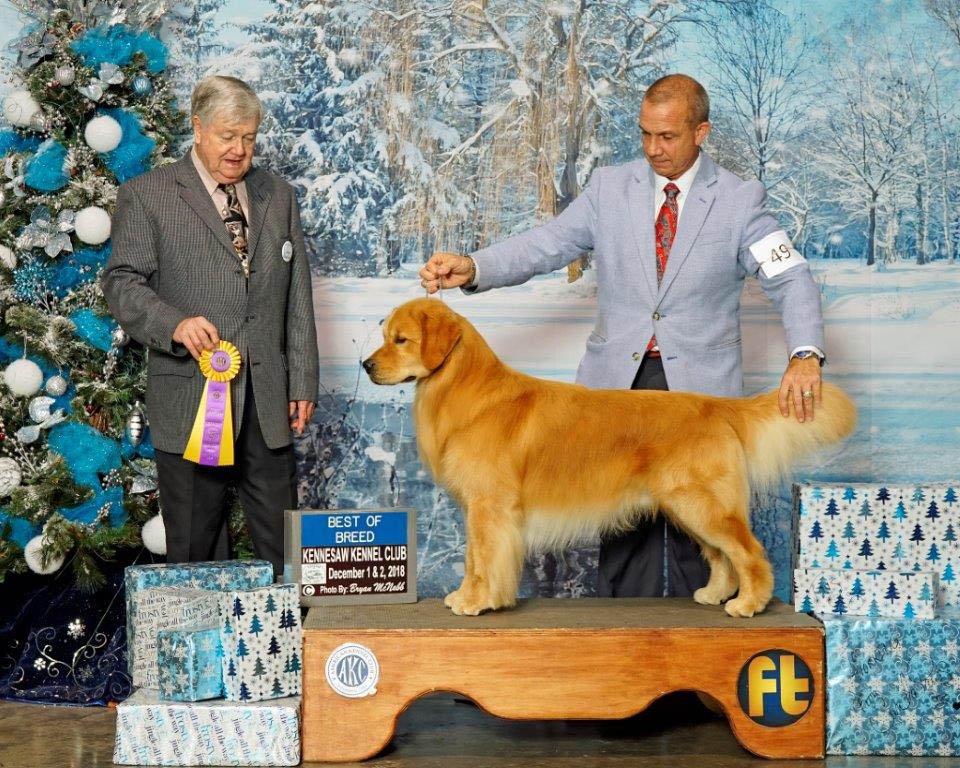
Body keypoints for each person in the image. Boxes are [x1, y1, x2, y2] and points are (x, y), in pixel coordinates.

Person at [419, 73, 825, 600]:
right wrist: (475, 266)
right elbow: (546, 243)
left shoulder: (741, 200)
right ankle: (625, 642)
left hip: (697, 395)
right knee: (620, 537)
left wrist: (805, 354)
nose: (654, 149)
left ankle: (699, 644)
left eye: (668, 136)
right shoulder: (609, 188)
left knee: (697, 531)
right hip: (614, 389)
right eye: (645, 135)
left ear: (701, 132)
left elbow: (790, 277)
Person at [101, 75, 319, 577]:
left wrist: (303, 380)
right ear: (197, 129)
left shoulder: (278, 195)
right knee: (196, 555)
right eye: (227, 136)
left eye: (249, 137)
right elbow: (121, 282)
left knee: (285, 556)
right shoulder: (147, 195)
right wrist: (174, 324)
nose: (239, 150)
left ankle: (288, 629)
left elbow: (297, 295)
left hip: (268, 402)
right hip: (191, 402)